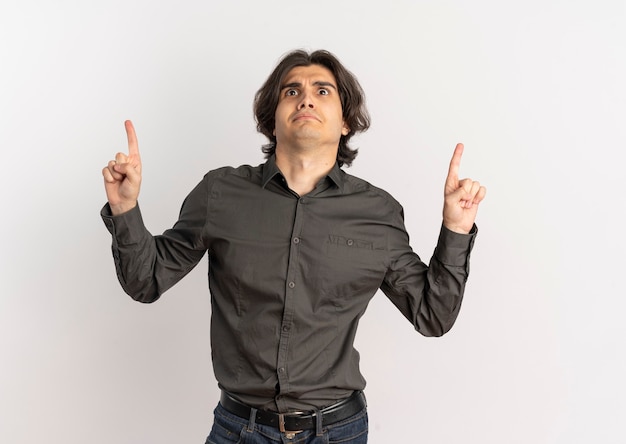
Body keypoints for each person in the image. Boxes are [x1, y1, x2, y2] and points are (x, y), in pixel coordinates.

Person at [101, 49, 486, 443]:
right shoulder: (220, 193)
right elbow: (145, 281)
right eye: (291, 91)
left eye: (323, 91)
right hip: (239, 430)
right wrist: (125, 207)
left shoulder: (378, 213)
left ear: (346, 122)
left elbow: (433, 316)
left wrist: (455, 230)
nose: (306, 99)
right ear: (271, 120)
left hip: (338, 431)